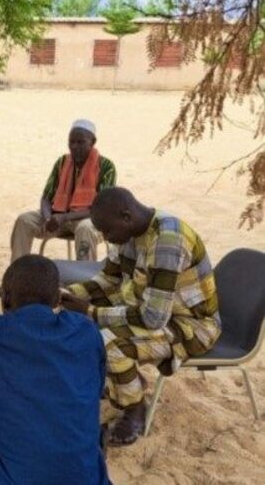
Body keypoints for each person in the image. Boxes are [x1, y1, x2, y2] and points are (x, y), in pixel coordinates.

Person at [62, 187, 222, 446]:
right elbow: (109, 278)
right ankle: (126, 382)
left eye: (107, 231)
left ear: (126, 216)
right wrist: (67, 294)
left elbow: (153, 318)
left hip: (190, 325)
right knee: (82, 320)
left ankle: (135, 408)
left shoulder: (168, 240)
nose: (105, 237)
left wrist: (90, 312)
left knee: (108, 342)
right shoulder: (129, 231)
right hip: (152, 308)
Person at [0, 255, 111, 485]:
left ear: (5, 298)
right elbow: (94, 393)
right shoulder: (87, 331)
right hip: (85, 477)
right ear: (58, 298)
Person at [10, 119, 116, 263]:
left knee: (85, 228)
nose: (74, 147)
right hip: (57, 217)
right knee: (24, 220)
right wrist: (48, 218)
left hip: (89, 219)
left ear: (92, 142)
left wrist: (66, 217)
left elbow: (101, 209)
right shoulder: (62, 162)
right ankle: (17, 274)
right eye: (71, 142)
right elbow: (46, 198)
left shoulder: (106, 167)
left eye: (80, 142)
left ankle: (85, 280)